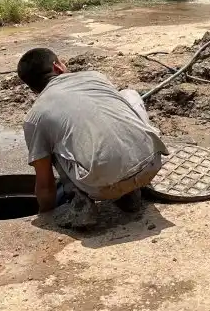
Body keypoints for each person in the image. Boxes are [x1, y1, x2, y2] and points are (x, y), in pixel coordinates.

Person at [16, 47, 168, 227]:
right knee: (129, 95)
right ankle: (129, 193)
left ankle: (80, 203)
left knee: (49, 145)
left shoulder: (35, 116)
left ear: (32, 87)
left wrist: (45, 215)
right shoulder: (95, 76)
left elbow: (45, 184)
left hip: (101, 187)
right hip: (152, 164)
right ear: (57, 67)